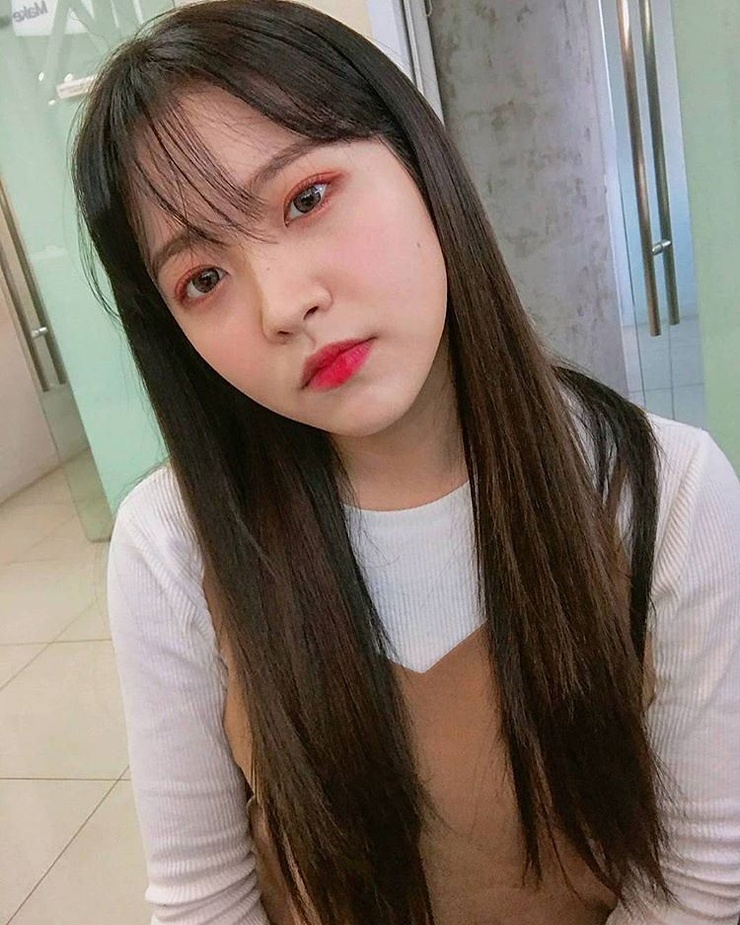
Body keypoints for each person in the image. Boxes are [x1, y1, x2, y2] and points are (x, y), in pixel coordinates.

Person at [71, 1, 740, 923]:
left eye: (306, 198)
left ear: (420, 160)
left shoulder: (668, 490)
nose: (283, 304)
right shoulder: (173, 545)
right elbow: (202, 902)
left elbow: (702, 878)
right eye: (203, 279)